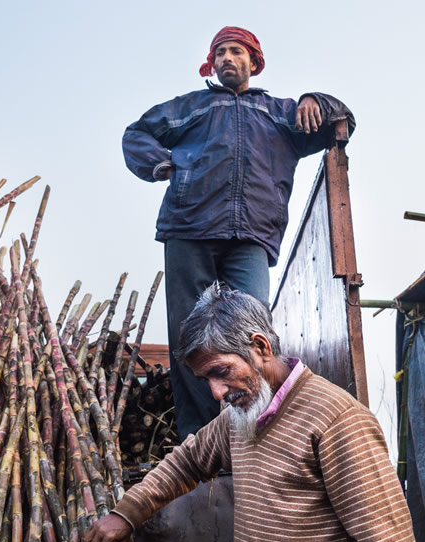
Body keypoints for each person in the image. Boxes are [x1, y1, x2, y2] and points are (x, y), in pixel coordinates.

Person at [85, 283, 422, 542]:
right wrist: (126, 514)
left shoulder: (337, 420)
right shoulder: (239, 418)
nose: (217, 392)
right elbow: (185, 462)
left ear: (260, 347)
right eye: (206, 380)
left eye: (222, 371)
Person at [122, 26, 355, 438]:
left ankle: (257, 431)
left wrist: (315, 100)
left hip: (252, 235)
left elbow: (341, 122)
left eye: (236, 51)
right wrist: (163, 167)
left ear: (254, 61)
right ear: (211, 64)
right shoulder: (191, 107)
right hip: (189, 225)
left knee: (254, 332)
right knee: (189, 334)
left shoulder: (279, 113)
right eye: (220, 53)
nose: (227, 58)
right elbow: (136, 134)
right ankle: (199, 437)